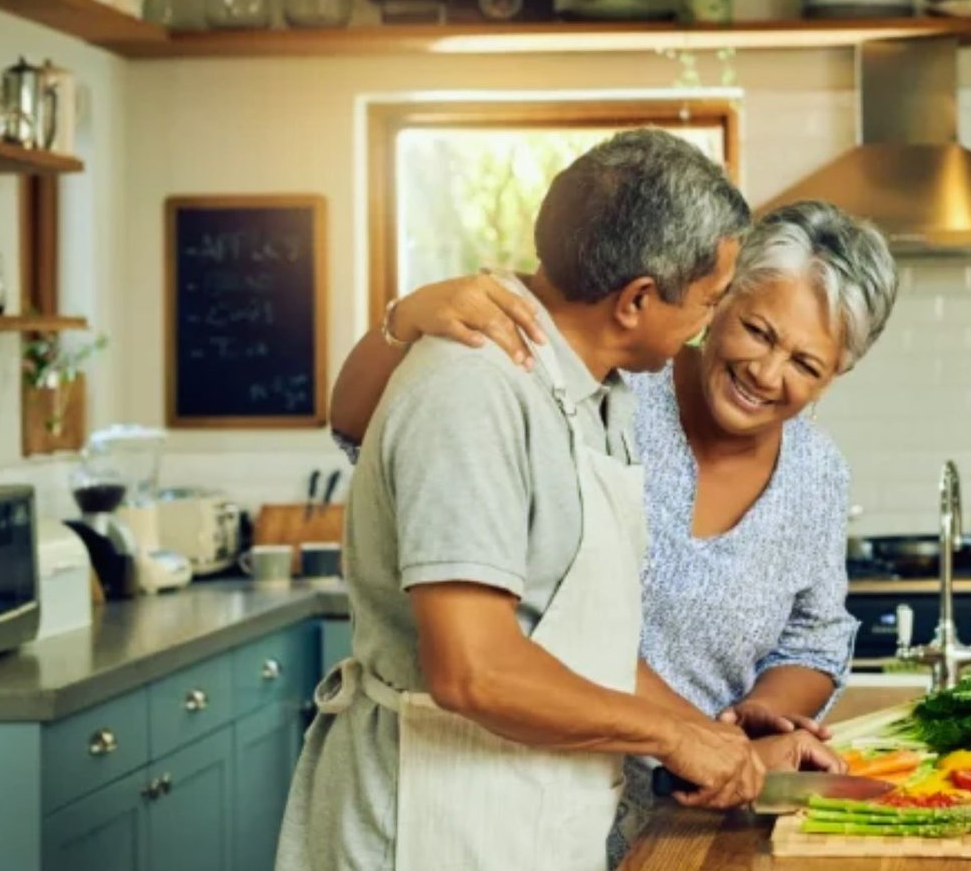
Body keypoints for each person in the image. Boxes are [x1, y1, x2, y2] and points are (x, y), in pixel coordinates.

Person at [329, 200, 901, 864]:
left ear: (836, 377)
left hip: (700, 796)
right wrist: (404, 319)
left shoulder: (817, 471)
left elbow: (815, 634)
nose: (767, 374)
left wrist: (740, 729)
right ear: (720, 298)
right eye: (758, 331)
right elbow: (365, 425)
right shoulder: (612, 385)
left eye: (807, 365)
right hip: (517, 779)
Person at [275, 129, 766, 871]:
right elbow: (476, 670)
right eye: (708, 300)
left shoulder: (598, 393)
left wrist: (715, 741)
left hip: (520, 816)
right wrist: (670, 737)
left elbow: (578, 646)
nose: (708, 323)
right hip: (429, 829)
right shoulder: (473, 389)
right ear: (635, 300)